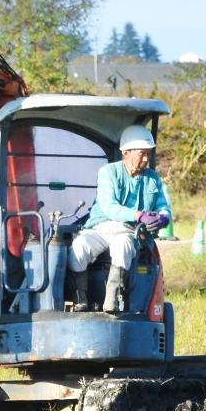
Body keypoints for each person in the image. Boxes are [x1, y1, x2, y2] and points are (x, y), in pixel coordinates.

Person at [68, 124, 173, 313]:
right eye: (142, 154)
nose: (146, 159)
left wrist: (163, 219)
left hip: (129, 231)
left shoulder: (153, 178)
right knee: (78, 248)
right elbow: (109, 207)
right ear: (126, 152)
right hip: (101, 228)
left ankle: (112, 298)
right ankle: (80, 298)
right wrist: (139, 215)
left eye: (148, 154)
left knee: (122, 246)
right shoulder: (108, 172)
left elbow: (163, 208)